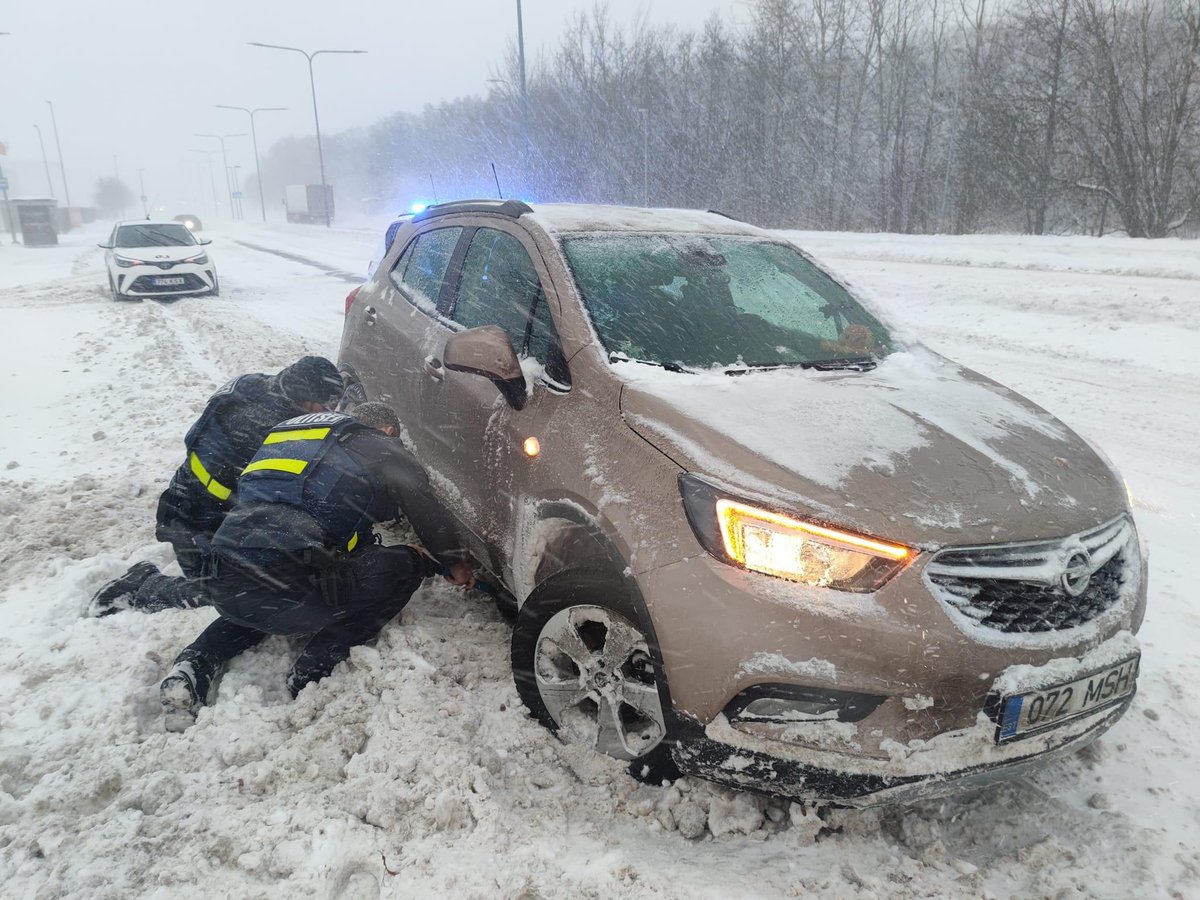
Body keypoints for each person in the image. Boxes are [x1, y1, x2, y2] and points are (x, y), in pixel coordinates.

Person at [145, 401, 473, 730]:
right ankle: (314, 665)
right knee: (406, 563)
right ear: (387, 430)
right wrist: (451, 561)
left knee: (263, 582)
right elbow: (421, 503)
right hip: (295, 592)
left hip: (227, 577)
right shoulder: (376, 443)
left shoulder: (294, 434)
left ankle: (196, 661)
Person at [88, 355, 345, 616]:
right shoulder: (271, 428)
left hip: (191, 499)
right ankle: (143, 586)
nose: (327, 413)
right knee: (232, 590)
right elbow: (284, 495)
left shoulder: (256, 385)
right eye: (324, 405)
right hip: (195, 520)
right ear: (304, 396)